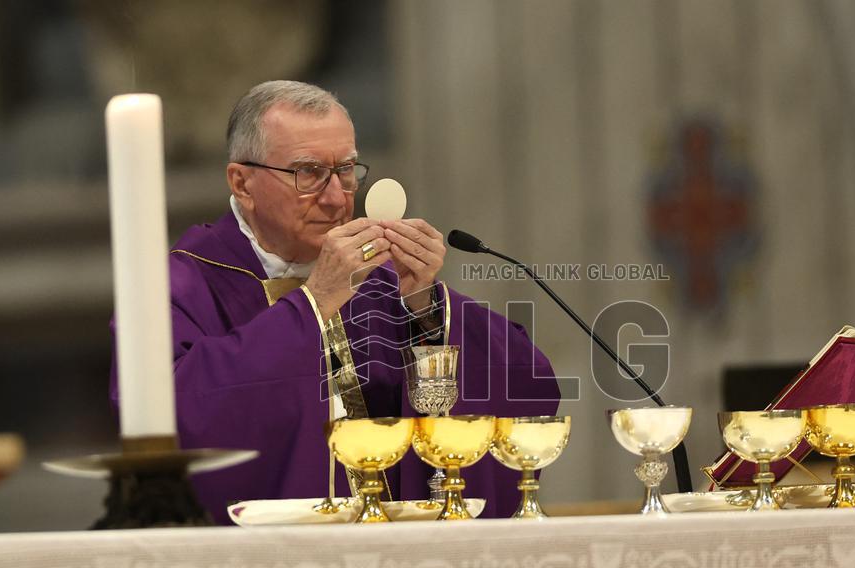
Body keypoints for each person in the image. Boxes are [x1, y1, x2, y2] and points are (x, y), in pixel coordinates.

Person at [109, 80, 560, 522]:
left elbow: (527, 384)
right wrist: (315, 303)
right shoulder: (177, 286)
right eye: (308, 173)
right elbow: (174, 419)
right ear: (242, 183)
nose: (335, 197)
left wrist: (425, 308)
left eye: (345, 170)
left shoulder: (382, 281)